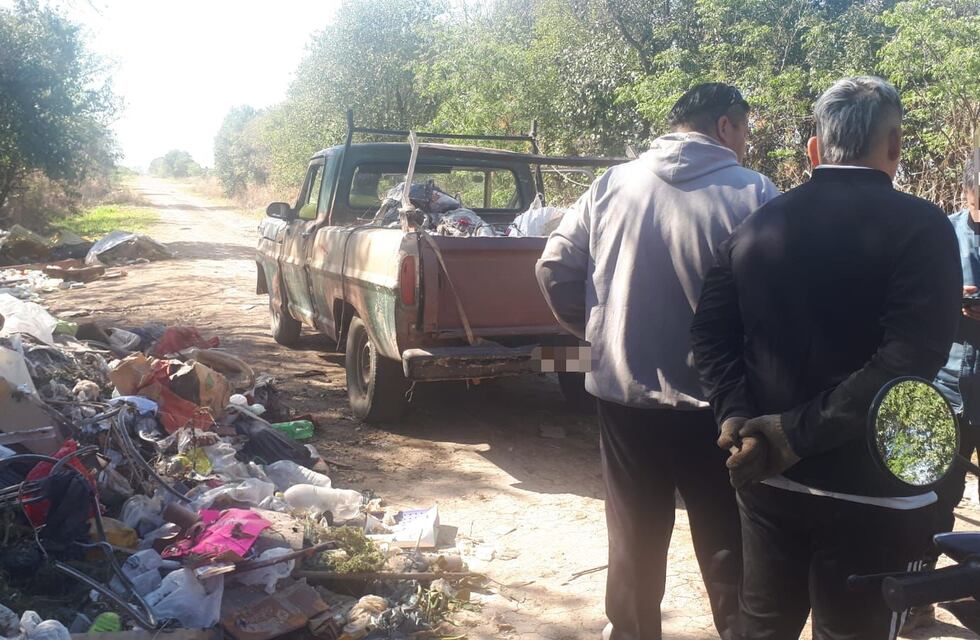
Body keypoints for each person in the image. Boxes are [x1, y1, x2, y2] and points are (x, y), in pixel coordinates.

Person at [690, 75, 962, 640]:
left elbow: (710, 334)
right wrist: (791, 432)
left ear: (816, 147)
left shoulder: (758, 225)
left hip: (768, 478)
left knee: (762, 629)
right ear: (894, 145)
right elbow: (908, 362)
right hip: (874, 491)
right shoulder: (924, 229)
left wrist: (739, 419)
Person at [536, 82, 778, 640]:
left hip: (626, 397)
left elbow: (553, 268)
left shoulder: (611, 185)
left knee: (634, 539)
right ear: (725, 127)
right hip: (719, 408)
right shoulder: (754, 194)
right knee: (726, 543)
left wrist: (597, 332)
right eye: (744, 130)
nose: (745, 142)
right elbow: (775, 303)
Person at [908, 155, 980, 631]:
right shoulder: (939, 235)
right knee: (932, 498)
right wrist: (952, 302)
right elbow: (907, 306)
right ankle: (917, 601)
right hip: (946, 389)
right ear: (969, 192)